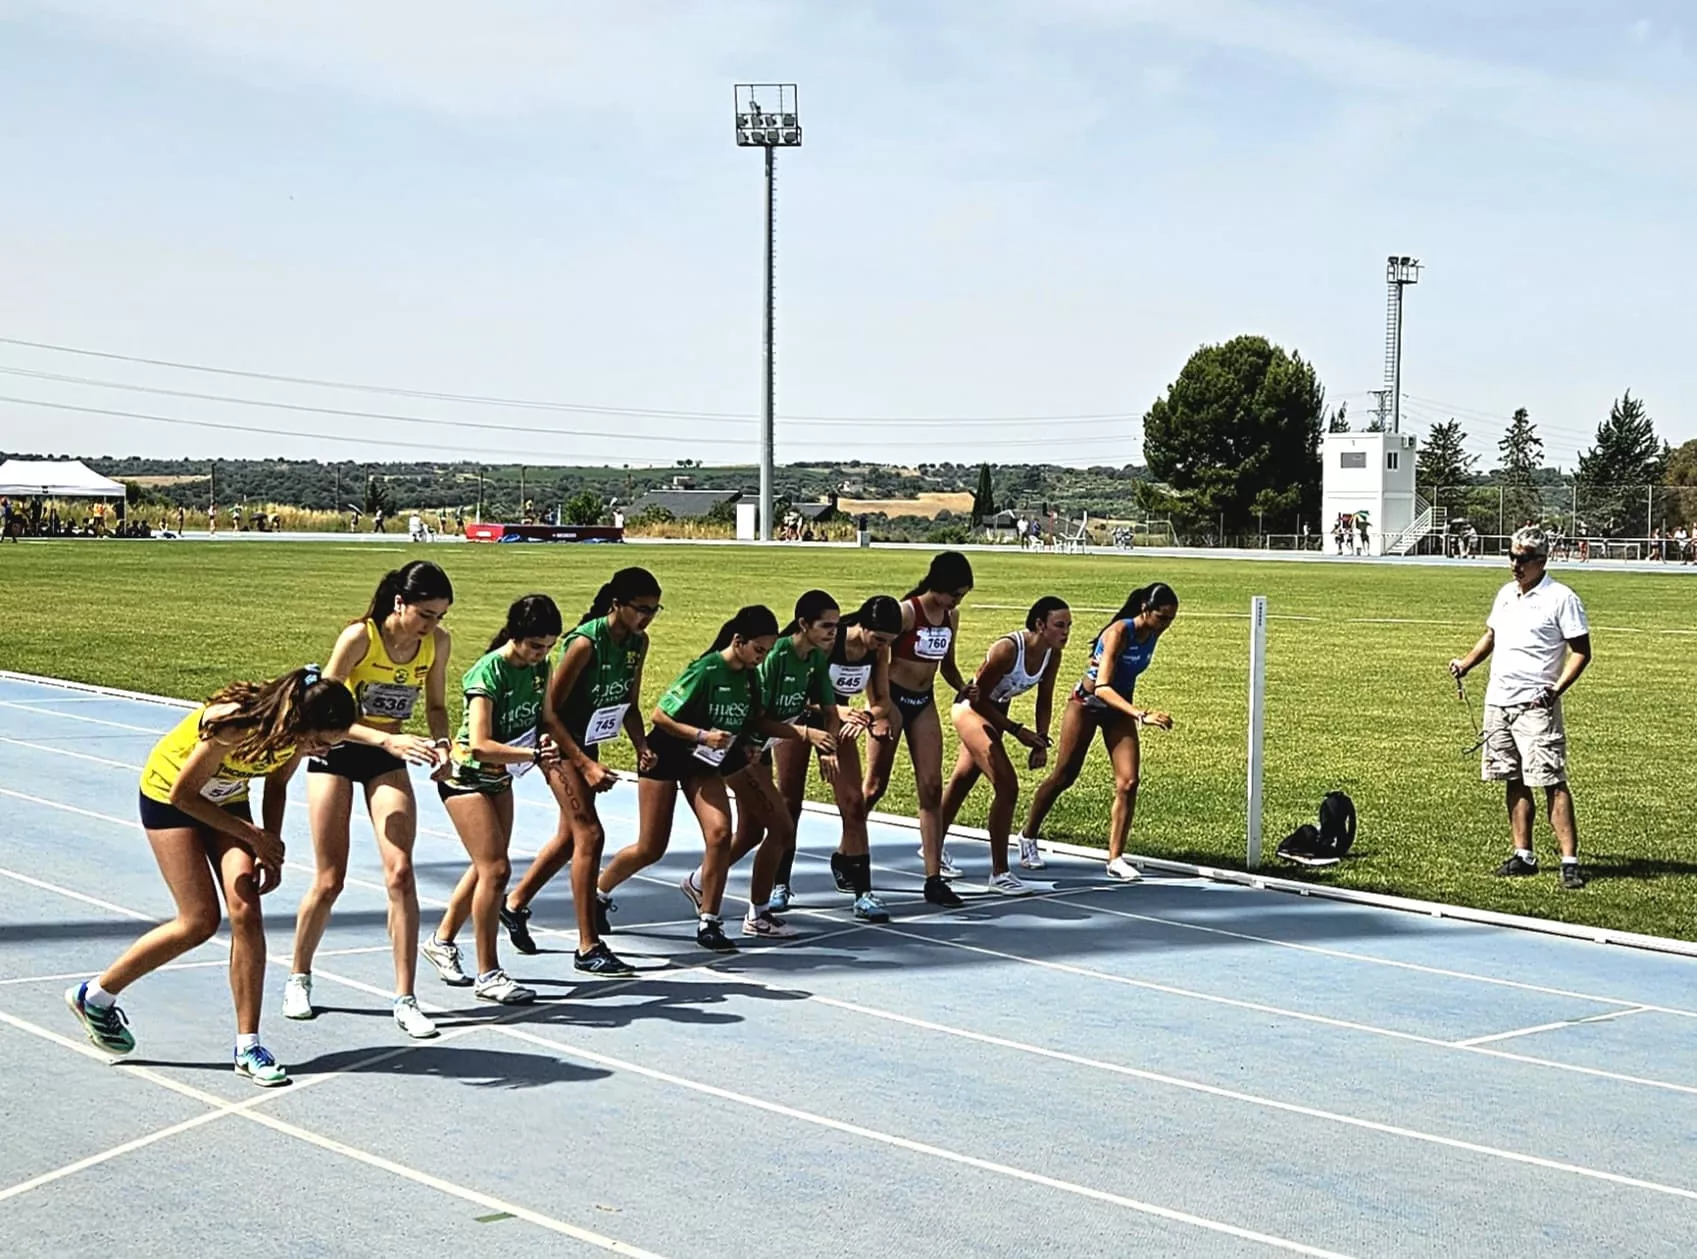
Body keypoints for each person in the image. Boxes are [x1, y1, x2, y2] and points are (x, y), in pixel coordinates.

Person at [65, 669, 356, 1085]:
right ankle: (94, 996)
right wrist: (251, 835)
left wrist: (269, 847)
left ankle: (248, 1046)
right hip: (171, 799)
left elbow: (276, 784)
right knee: (198, 921)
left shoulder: (293, 735)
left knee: (246, 911)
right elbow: (183, 795)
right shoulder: (235, 723)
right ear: (297, 722)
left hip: (227, 798)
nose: (322, 750)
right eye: (321, 741)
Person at [284, 561, 453, 1038]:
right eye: (425, 614)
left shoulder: (436, 644)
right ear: (399, 603)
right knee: (330, 878)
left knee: (400, 873)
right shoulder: (360, 638)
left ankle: (406, 997)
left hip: (387, 758)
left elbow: (437, 707)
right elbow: (321, 710)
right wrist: (384, 740)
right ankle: (299, 976)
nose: (431, 625)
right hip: (337, 753)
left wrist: (441, 746)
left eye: (439, 616)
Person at [596, 606, 787, 952]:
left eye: (768, 651)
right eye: (759, 649)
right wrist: (701, 736)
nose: (763, 657)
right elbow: (660, 716)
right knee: (651, 846)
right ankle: (598, 893)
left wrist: (749, 747)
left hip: (703, 763)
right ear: (738, 641)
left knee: (719, 832)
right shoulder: (706, 670)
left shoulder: (748, 676)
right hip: (666, 754)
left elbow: (749, 720)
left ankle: (709, 920)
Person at [501, 567, 663, 975]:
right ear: (617, 605)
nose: (647, 617)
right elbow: (548, 712)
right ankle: (588, 945)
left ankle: (514, 904)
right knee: (590, 833)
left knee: (570, 836)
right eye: (641, 609)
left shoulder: (637, 644)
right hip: (556, 744)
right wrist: (585, 764)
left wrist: (641, 745)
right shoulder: (585, 643)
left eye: (654, 610)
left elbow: (628, 700)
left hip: (586, 740)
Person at [421, 596, 564, 1003]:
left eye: (549, 647)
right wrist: (532, 755)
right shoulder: (488, 673)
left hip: (501, 778)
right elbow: (480, 744)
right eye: (535, 646)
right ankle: (489, 973)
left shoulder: (540, 669)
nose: (542, 655)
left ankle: (441, 940)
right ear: (515, 636)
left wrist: (545, 739)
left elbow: (543, 717)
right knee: (496, 870)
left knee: (487, 866)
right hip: (467, 777)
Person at [681, 591, 842, 936]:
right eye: (827, 625)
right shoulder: (776, 656)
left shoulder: (815, 658)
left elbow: (829, 710)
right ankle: (757, 913)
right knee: (782, 828)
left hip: (762, 747)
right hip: (744, 748)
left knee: (753, 830)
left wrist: (828, 748)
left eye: (837, 626)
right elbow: (757, 719)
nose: (834, 633)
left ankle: (698, 881)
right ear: (803, 624)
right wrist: (804, 734)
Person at [1449, 525, 1591, 889]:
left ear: (1542, 561)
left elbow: (1581, 652)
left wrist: (1555, 690)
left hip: (1536, 704)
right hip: (1499, 700)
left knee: (1550, 780)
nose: (1515, 564)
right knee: (1512, 778)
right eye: (1511, 556)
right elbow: (1492, 636)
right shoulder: (1506, 595)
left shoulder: (1561, 598)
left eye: (1523, 559)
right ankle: (1523, 854)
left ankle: (1569, 862)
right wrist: (1466, 663)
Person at [1020, 583, 1179, 881]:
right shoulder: (1119, 632)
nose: (1166, 625)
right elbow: (1103, 686)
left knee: (1129, 782)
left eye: (1171, 619)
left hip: (1118, 710)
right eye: (1162, 617)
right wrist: (1141, 715)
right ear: (1145, 609)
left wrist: (1130, 711)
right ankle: (1028, 836)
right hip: (1087, 704)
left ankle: (1116, 858)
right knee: (1063, 776)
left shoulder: (1153, 633)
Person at [863, 551, 976, 907]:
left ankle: (933, 877)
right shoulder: (907, 612)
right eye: (954, 594)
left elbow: (947, 665)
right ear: (937, 586)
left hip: (923, 702)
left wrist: (962, 686)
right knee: (875, 786)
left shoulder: (950, 616)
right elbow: (878, 656)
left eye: (962, 596)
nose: (957, 602)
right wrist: (880, 708)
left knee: (930, 786)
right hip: (893, 700)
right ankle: (849, 849)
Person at [937, 597, 1071, 894]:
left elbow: (1044, 698)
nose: (1066, 632)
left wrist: (1041, 740)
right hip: (971, 709)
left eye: (1069, 626)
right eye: (1059, 625)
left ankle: (931, 847)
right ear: (1039, 624)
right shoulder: (1008, 649)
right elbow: (977, 697)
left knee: (963, 778)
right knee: (1007, 786)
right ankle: (999, 874)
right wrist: (1015, 731)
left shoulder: (1052, 654)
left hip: (997, 712)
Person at [819, 595, 903, 921]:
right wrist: (839, 711)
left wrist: (867, 716)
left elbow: (882, 699)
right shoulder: (831, 641)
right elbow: (808, 691)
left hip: (842, 721)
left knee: (854, 803)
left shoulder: (879, 650)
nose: (881, 647)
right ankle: (779, 886)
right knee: (788, 802)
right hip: (804, 715)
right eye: (878, 639)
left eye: (888, 643)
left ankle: (863, 893)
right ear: (862, 626)